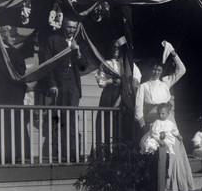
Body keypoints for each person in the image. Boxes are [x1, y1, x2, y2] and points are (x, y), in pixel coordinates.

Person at [135, 41, 195, 191]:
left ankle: (174, 187)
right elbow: (138, 110)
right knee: (157, 152)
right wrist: (143, 127)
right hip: (153, 123)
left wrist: (173, 53)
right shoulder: (144, 86)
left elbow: (182, 70)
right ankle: (160, 188)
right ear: (150, 69)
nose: (156, 72)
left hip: (169, 122)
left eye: (159, 69)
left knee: (174, 150)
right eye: (154, 69)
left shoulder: (165, 82)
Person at [43, 14, 87, 161]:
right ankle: (60, 153)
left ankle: (72, 153)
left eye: (74, 28)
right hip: (59, 84)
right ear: (63, 26)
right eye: (69, 27)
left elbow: (83, 67)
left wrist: (78, 51)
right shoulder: (53, 40)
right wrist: (52, 84)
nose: (71, 30)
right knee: (60, 119)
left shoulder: (77, 42)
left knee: (72, 119)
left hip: (73, 85)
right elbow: (47, 66)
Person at [0, 25, 28, 163]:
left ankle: (14, 155)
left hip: (13, 93)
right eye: (11, 35)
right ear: (2, 35)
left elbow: (22, 69)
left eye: (15, 36)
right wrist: (8, 77)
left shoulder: (15, 52)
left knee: (13, 122)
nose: (14, 38)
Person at [95, 36, 141, 149]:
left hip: (125, 94)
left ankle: (122, 150)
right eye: (113, 47)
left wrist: (128, 83)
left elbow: (136, 78)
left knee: (123, 121)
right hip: (109, 94)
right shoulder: (106, 64)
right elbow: (100, 81)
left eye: (118, 48)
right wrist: (112, 80)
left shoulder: (128, 64)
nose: (115, 50)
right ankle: (105, 151)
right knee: (107, 121)